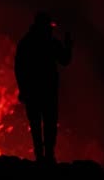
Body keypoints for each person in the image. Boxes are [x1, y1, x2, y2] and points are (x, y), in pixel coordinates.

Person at [14, 11, 73, 163]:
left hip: (33, 91)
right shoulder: (50, 43)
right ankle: (47, 157)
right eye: (49, 25)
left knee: (37, 125)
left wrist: (23, 89)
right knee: (49, 124)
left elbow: (19, 68)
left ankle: (41, 157)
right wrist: (68, 45)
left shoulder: (26, 42)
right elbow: (65, 60)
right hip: (46, 91)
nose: (51, 28)